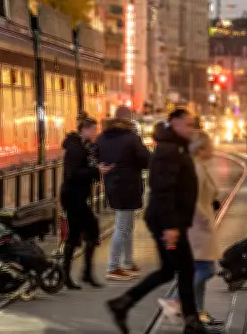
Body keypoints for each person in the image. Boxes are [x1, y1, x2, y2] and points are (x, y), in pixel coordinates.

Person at [107, 109, 205, 334]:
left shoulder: (175, 147)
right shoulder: (170, 149)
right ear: (175, 124)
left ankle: (122, 303)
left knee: (170, 270)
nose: (192, 129)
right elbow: (163, 189)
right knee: (186, 268)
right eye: (188, 125)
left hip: (167, 218)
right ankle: (192, 323)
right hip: (166, 220)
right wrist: (171, 226)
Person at [158, 131, 223, 326]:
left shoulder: (199, 166)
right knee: (205, 269)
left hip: (198, 225)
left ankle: (198, 313)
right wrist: (203, 219)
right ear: (201, 149)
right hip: (197, 226)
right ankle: (175, 301)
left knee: (199, 268)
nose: (213, 149)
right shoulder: (196, 168)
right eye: (210, 146)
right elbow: (191, 199)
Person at [60, 113, 111, 289]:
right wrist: (96, 170)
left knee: (88, 231)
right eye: (93, 129)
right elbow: (73, 173)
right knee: (78, 234)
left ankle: (81, 273)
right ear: (85, 130)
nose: (96, 132)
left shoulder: (86, 146)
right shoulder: (75, 148)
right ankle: (70, 274)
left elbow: (87, 167)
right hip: (72, 196)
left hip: (78, 196)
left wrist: (97, 169)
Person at [98, 107, 150, 281]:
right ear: (129, 119)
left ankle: (127, 262)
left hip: (113, 186)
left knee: (127, 225)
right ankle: (113, 267)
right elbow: (145, 160)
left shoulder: (103, 136)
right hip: (128, 186)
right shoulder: (132, 138)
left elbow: (95, 155)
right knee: (123, 227)